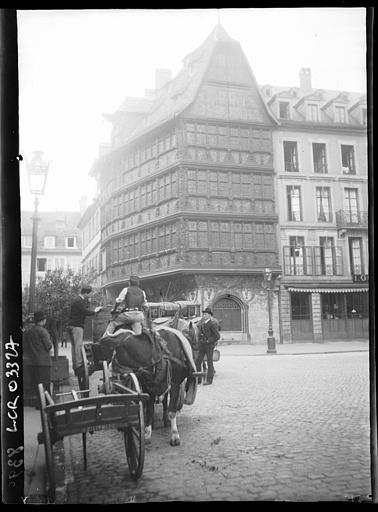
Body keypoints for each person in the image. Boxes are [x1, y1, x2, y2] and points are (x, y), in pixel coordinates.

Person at [68, 285, 102, 387]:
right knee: (78, 346)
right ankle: (79, 366)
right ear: (86, 293)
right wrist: (95, 311)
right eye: (90, 293)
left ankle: (76, 365)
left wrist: (88, 302)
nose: (91, 295)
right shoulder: (79, 301)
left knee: (74, 347)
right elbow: (85, 312)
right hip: (77, 326)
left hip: (72, 325)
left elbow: (83, 309)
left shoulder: (78, 300)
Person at [23, 311, 53, 408]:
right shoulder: (43, 331)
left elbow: (25, 346)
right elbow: (48, 346)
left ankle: (39, 403)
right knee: (45, 384)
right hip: (44, 362)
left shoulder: (28, 332)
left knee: (36, 384)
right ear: (43, 320)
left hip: (32, 362)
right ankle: (47, 404)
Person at [195, 307, 220, 385]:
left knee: (209, 363)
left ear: (209, 315)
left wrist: (209, 340)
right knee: (198, 362)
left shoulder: (212, 324)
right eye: (204, 314)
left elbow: (217, 336)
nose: (204, 315)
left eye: (205, 314)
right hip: (202, 345)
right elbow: (199, 334)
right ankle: (199, 379)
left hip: (209, 346)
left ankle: (209, 380)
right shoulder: (203, 324)